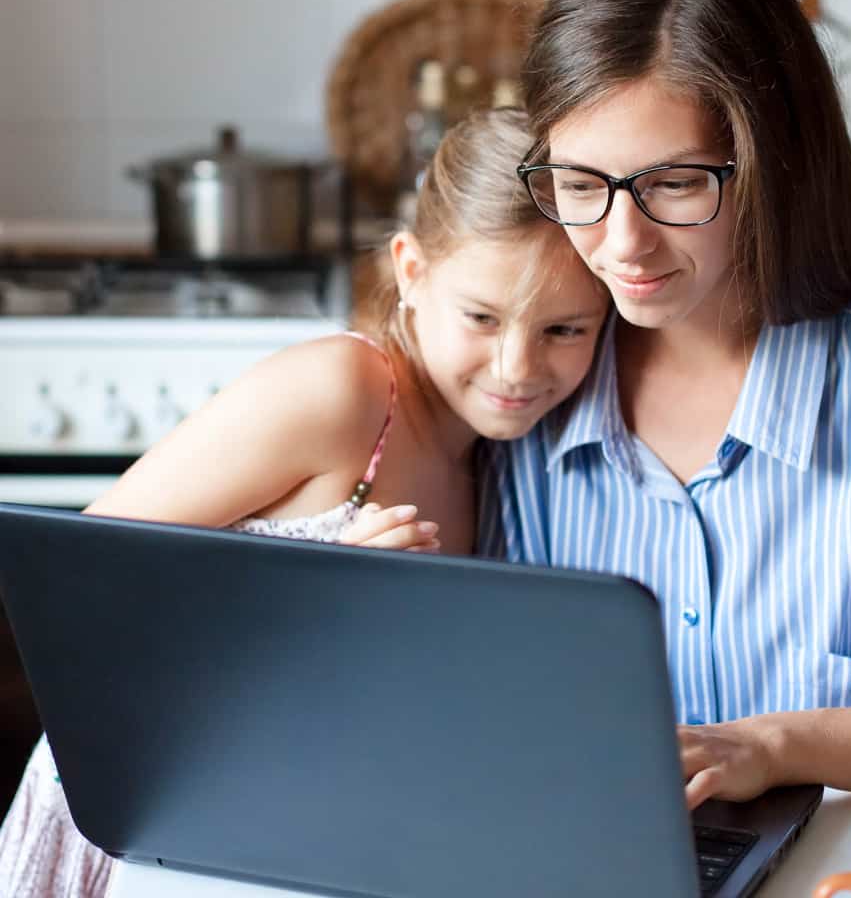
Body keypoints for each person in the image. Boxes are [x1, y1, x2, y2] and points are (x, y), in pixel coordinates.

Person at [0, 107, 608, 898]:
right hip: (138, 818)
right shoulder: (345, 393)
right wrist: (317, 602)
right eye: (482, 318)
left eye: (564, 328)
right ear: (412, 271)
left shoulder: (499, 461)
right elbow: (75, 590)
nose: (518, 366)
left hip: (273, 829)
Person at [478, 0, 851, 811]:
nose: (621, 244)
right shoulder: (526, 361)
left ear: (771, 163)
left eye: (676, 183)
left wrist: (773, 745)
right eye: (579, 185)